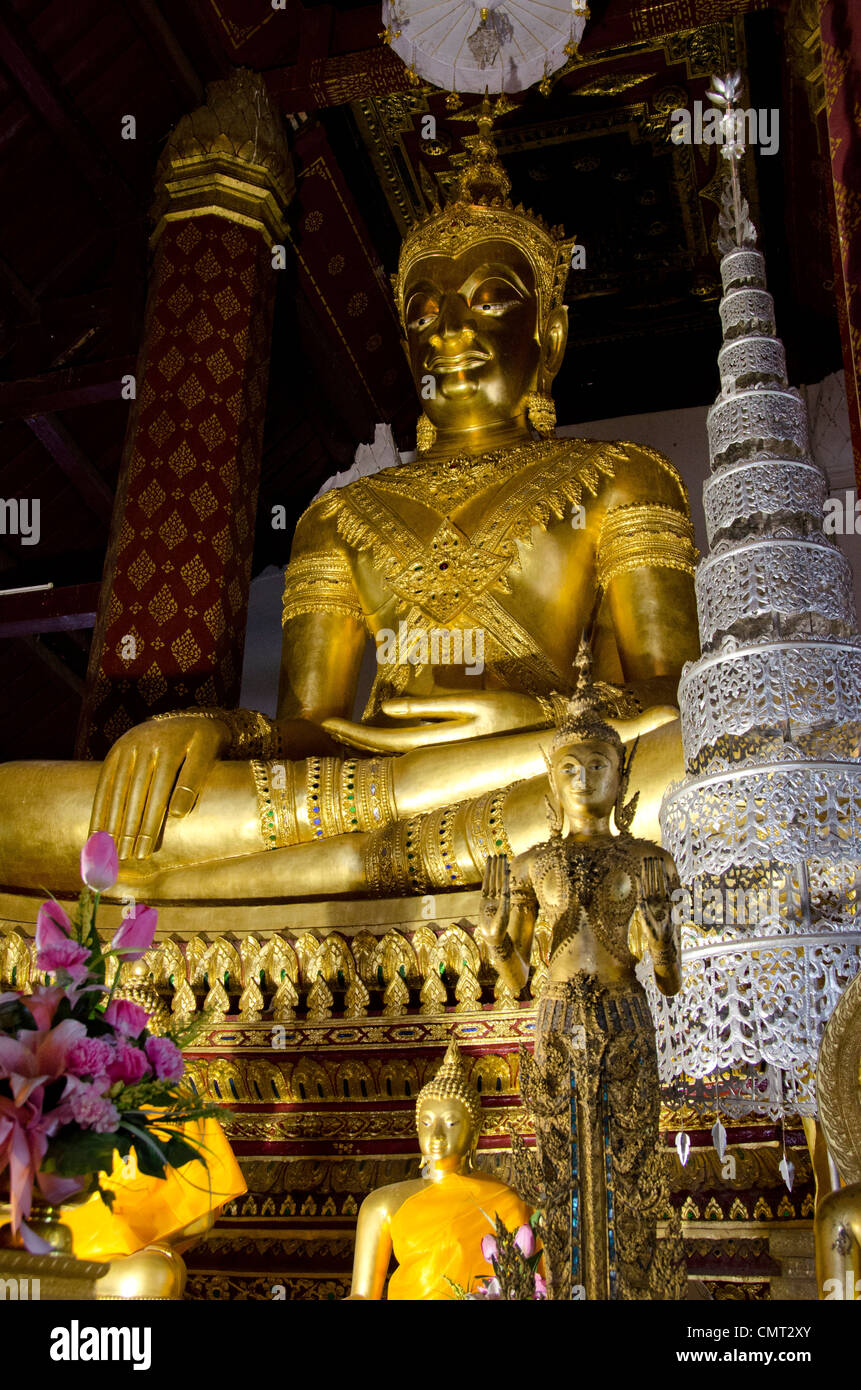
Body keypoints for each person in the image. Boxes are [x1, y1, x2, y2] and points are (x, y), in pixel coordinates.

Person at [0, 101, 698, 904]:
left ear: (552, 335)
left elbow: (676, 697)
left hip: (546, 768)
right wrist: (223, 729)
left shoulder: (623, 475)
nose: (449, 334)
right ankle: (348, 862)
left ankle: (256, 883)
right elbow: (308, 730)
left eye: (491, 300)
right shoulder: (336, 516)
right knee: (16, 807)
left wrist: (533, 716)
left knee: (691, 760)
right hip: (362, 793)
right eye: (423, 313)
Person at [477, 643, 686, 1299]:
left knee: (628, 1153)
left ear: (620, 777)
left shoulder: (646, 858)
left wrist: (659, 938)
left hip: (624, 1009)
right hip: (557, 1011)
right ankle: (565, 1284)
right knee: (560, 1158)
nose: (582, 776)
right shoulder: (530, 863)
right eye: (569, 765)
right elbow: (514, 983)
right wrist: (494, 945)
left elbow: (670, 979)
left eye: (597, 764)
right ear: (549, 778)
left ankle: (629, 1286)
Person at [347, 1039, 532, 1300]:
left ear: (474, 1136)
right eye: (426, 1122)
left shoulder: (506, 1201)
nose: (436, 1135)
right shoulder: (382, 1204)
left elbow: (528, 1283)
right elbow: (362, 1296)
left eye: (451, 1123)